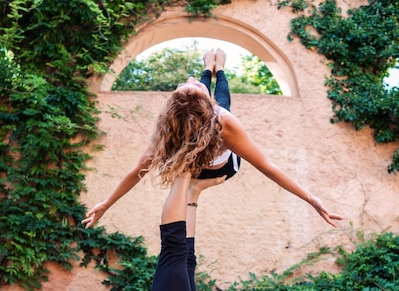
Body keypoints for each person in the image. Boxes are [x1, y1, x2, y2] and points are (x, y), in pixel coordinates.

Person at [82, 49, 343, 229]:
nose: (191, 78)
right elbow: (267, 166)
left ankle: (213, 67)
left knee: (221, 105)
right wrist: (312, 199)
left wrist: (106, 204)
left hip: (197, 165)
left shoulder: (169, 128)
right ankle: (219, 70)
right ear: (207, 105)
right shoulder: (223, 121)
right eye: (193, 84)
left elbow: (135, 171)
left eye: (190, 81)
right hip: (225, 169)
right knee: (226, 105)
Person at [143, 173, 374, 291]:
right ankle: (192, 191)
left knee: (175, 251)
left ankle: (183, 172)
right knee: (186, 259)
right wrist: (194, 191)